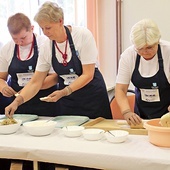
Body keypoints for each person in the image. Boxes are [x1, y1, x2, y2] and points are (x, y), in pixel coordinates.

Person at [5, 2, 111, 170]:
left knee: (97, 149)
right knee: (71, 149)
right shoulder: (47, 45)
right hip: (68, 101)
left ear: (60, 21)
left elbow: (88, 74)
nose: (45, 33)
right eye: (42, 29)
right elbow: (36, 81)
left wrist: (65, 91)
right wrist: (17, 101)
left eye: (48, 28)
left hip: (92, 97)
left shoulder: (82, 35)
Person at [0, 13, 59, 170]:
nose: (19, 42)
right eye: (15, 39)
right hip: (19, 104)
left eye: (23, 38)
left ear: (32, 29)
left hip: (45, 101)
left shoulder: (46, 44)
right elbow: (1, 78)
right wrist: (3, 86)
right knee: (24, 149)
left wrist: (32, 87)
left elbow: (54, 77)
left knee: (46, 150)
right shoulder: (7, 48)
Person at [115, 18, 170, 125]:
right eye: (140, 48)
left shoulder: (168, 52)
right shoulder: (128, 56)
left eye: (149, 47)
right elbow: (120, 89)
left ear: (157, 41)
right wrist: (126, 112)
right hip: (141, 114)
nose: (145, 52)